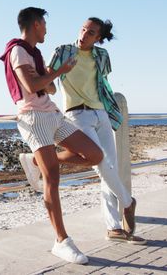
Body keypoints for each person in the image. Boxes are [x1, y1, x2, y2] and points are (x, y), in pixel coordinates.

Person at [0, 7, 104, 264]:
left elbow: (50, 88)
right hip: (33, 118)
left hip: (53, 114)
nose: (46, 29)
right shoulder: (18, 50)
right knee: (53, 179)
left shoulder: (34, 53)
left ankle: (35, 162)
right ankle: (61, 241)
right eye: (44, 24)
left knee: (94, 154)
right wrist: (58, 72)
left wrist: (47, 77)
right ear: (36, 24)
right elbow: (34, 86)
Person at [49, 17, 146, 245]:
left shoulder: (102, 56)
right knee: (100, 162)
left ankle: (113, 227)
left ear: (98, 38)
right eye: (83, 29)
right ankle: (127, 202)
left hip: (101, 113)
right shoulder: (63, 51)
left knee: (109, 167)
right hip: (76, 114)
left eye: (91, 32)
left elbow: (102, 83)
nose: (84, 34)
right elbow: (50, 81)